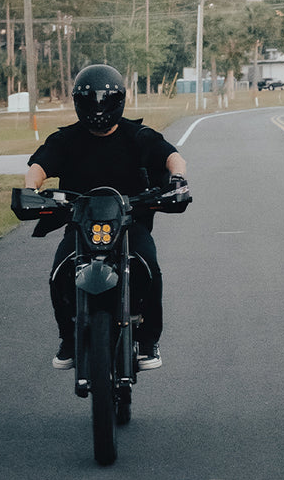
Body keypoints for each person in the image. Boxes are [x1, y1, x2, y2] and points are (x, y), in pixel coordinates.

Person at [24, 64, 188, 371]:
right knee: (59, 273)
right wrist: (31, 188)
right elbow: (38, 167)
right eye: (89, 102)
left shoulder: (137, 135)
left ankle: (149, 340)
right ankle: (68, 339)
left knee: (149, 268)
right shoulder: (66, 140)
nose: (98, 109)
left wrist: (177, 178)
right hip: (80, 225)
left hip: (129, 224)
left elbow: (172, 156)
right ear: (78, 103)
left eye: (106, 101)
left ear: (119, 101)